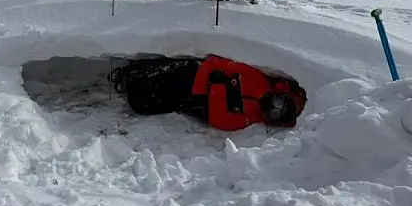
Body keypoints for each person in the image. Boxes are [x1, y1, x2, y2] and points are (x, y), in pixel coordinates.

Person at [109, 53, 308, 131]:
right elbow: (225, 64)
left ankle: (132, 81)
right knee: (172, 71)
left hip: (197, 99)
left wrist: (218, 88)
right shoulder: (261, 80)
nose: (274, 107)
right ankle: (134, 71)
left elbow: (219, 119)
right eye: (280, 103)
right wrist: (212, 75)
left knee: (145, 103)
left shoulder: (252, 118)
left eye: (276, 112)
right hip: (197, 73)